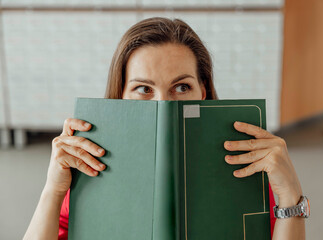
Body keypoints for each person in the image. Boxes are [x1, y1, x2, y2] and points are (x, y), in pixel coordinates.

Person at [23, 17, 305, 240]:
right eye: (143, 88)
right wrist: (52, 190)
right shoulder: (87, 166)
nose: (163, 104)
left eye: (181, 87)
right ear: (121, 95)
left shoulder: (247, 162)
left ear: (202, 91)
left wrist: (290, 196)